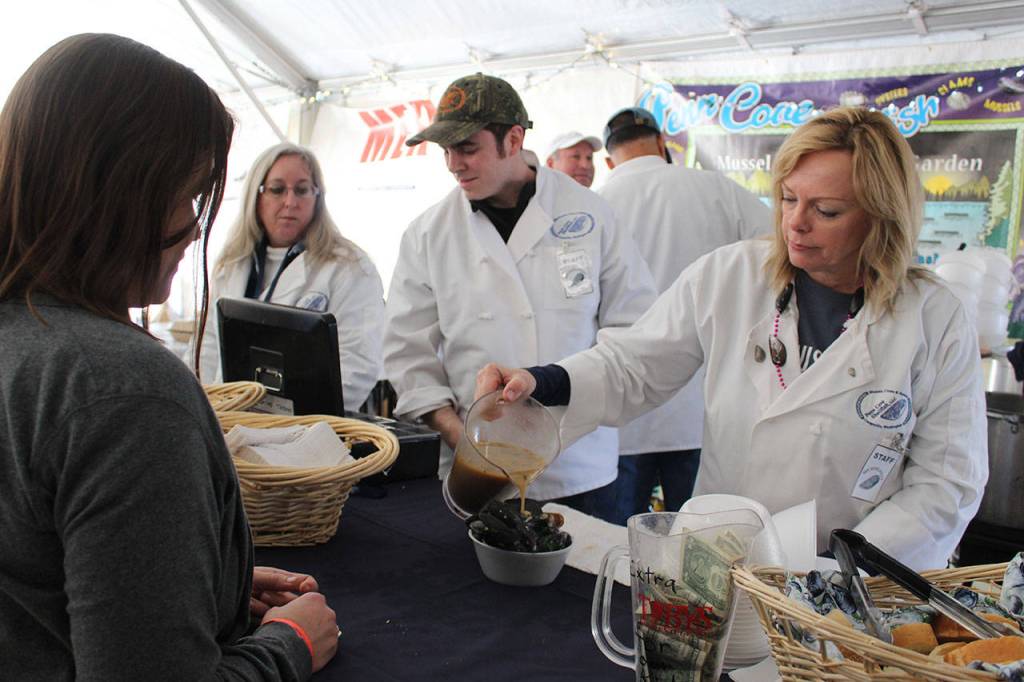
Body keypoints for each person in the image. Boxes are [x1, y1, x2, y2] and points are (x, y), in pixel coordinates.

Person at [476, 106, 988, 571]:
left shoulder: (934, 319)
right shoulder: (733, 276)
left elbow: (946, 483)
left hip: (854, 588)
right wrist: (541, 381)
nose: (795, 223)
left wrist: (840, 571)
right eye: (788, 198)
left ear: (882, 215)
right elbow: (634, 364)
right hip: (720, 565)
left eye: (826, 211)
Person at [0, 34, 339, 678]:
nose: (191, 221)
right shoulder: (123, 391)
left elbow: (31, 581)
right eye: (186, 191)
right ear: (120, 190)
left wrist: (201, 587)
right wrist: (288, 645)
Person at [383, 73, 657, 520]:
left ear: (513, 139)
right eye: (445, 151)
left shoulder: (589, 213)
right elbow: (406, 353)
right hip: (476, 471)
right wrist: (463, 437)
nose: (454, 164)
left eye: (467, 148)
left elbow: (634, 329)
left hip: (579, 466)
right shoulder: (428, 234)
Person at [598, 107, 772, 524]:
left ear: (608, 160)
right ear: (662, 144)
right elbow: (777, 248)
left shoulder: (596, 205)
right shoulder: (716, 188)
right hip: (699, 403)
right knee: (698, 544)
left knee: (621, 545)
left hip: (621, 405)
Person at [200, 143, 385, 412]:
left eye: (302, 190)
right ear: (257, 195)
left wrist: (291, 425)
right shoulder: (231, 263)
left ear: (317, 196)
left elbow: (356, 365)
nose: (290, 202)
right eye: (277, 190)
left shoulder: (350, 267)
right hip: (227, 420)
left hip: (304, 432)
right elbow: (205, 347)